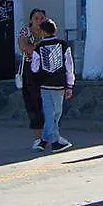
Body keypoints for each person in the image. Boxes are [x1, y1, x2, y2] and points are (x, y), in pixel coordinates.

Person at [30, 19, 74, 152]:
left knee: (49, 113)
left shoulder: (38, 47)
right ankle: (55, 142)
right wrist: (70, 85)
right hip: (59, 85)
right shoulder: (64, 45)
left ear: (43, 32)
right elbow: (69, 66)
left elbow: (34, 67)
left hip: (44, 84)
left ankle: (43, 141)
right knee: (56, 113)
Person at [18, 8, 47, 150]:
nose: (39, 21)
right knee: (33, 104)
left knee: (47, 104)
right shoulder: (26, 32)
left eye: (42, 18)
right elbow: (25, 47)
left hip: (46, 70)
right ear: (31, 20)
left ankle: (50, 135)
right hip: (30, 71)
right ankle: (37, 138)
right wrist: (40, 48)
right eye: (36, 18)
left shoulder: (48, 32)